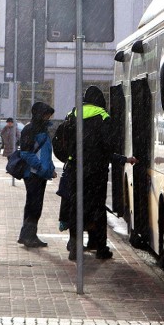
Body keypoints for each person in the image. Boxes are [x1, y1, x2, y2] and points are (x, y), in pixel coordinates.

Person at [65, 85, 137, 261]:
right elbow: (108, 147)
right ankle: (100, 247)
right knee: (98, 208)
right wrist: (123, 159)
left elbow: (64, 142)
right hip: (96, 172)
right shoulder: (103, 116)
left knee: (76, 207)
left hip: (76, 170)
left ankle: (74, 247)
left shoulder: (73, 114)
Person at [17, 102, 56, 248]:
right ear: (39, 114)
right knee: (33, 205)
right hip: (33, 174)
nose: (48, 117)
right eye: (46, 114)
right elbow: (26, 153)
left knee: (36, 206)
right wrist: (40, 167)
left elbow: (46, 152)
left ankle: (29, 235)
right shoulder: (30, 129)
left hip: (41, 174)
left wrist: (49, 168)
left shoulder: (43, 129)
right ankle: (28, 236)